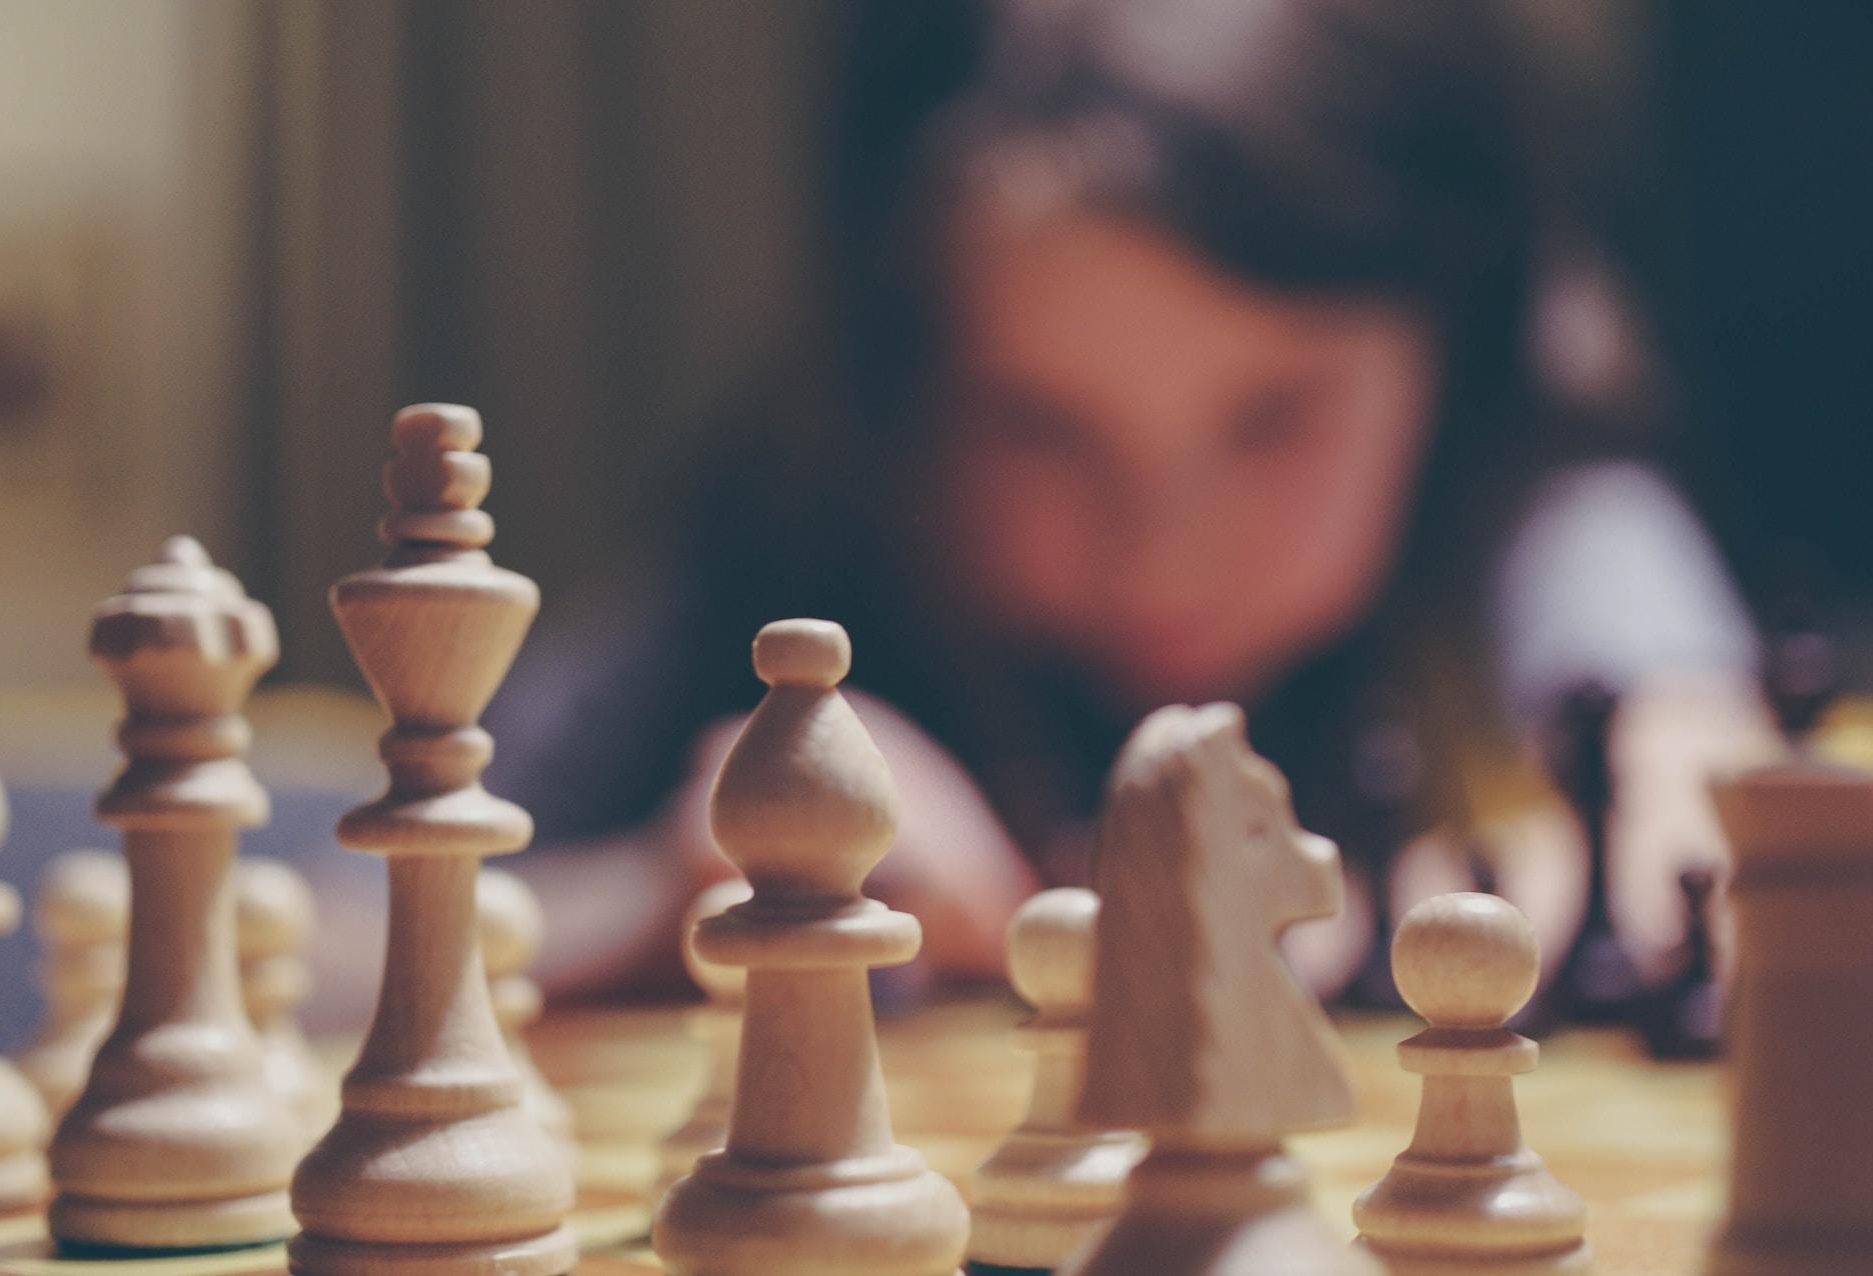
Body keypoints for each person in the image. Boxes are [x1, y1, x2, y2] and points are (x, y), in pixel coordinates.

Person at [487, 0, 1779, 1004]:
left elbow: (1715, 834)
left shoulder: (1549, 502)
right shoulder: (807, 515)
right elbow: (346, 930)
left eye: (1275, 422)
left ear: (1458, 353)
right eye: (1036, 429)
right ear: (907, 382)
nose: (1162, 555)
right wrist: (664, 903)